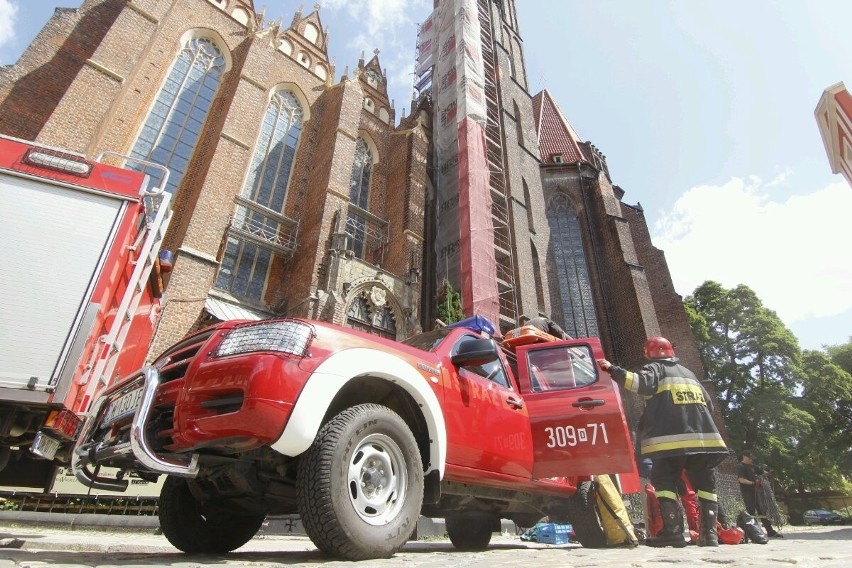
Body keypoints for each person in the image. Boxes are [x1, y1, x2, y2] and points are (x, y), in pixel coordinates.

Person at [597, 336, 728, 548]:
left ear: (649, 354)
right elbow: (708, 405)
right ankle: (709, 535)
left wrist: (612, 368)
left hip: (670, 443)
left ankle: (673, 532)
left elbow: (638, 384)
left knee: (665, 483)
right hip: (704, 443)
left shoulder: (655, 369)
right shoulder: (689, 374)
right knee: (705, 487)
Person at [737, 450, 781, 537]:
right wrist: (753, 483)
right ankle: (752, 533)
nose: (751, 460)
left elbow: (762, 471)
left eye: (751, 458)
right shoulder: (740, 466)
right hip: (746, 493)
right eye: (749, 458)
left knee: (761, 511)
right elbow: (741, 480)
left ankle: (770, 531)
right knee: (750, 512)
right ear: (744, 457)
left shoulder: (752, 466)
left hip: (756, 492)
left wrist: (769, 474)